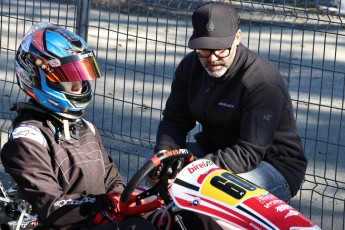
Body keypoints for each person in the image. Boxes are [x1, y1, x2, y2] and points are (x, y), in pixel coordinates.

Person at [0, 22, 156, 230]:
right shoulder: (27, 140)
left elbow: (115, 184)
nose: (78, 85)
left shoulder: (85, 128)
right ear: (38, 76)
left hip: (99, 219)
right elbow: (53, 207)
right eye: (69, 77)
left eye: (80, 75)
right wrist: (105, 205)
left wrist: (125, 202)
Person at [151, 2, 308, 202]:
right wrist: (166, 155)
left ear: (237, 38)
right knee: (157, 169)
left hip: (272, 164)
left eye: (220, 49)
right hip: (216, 150)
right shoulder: (190, 67)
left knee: (209, 194)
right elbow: (174, 119)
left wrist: (195, 169)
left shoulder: (261, 81)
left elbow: (249, 153)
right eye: (204, 50)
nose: (213, 58)